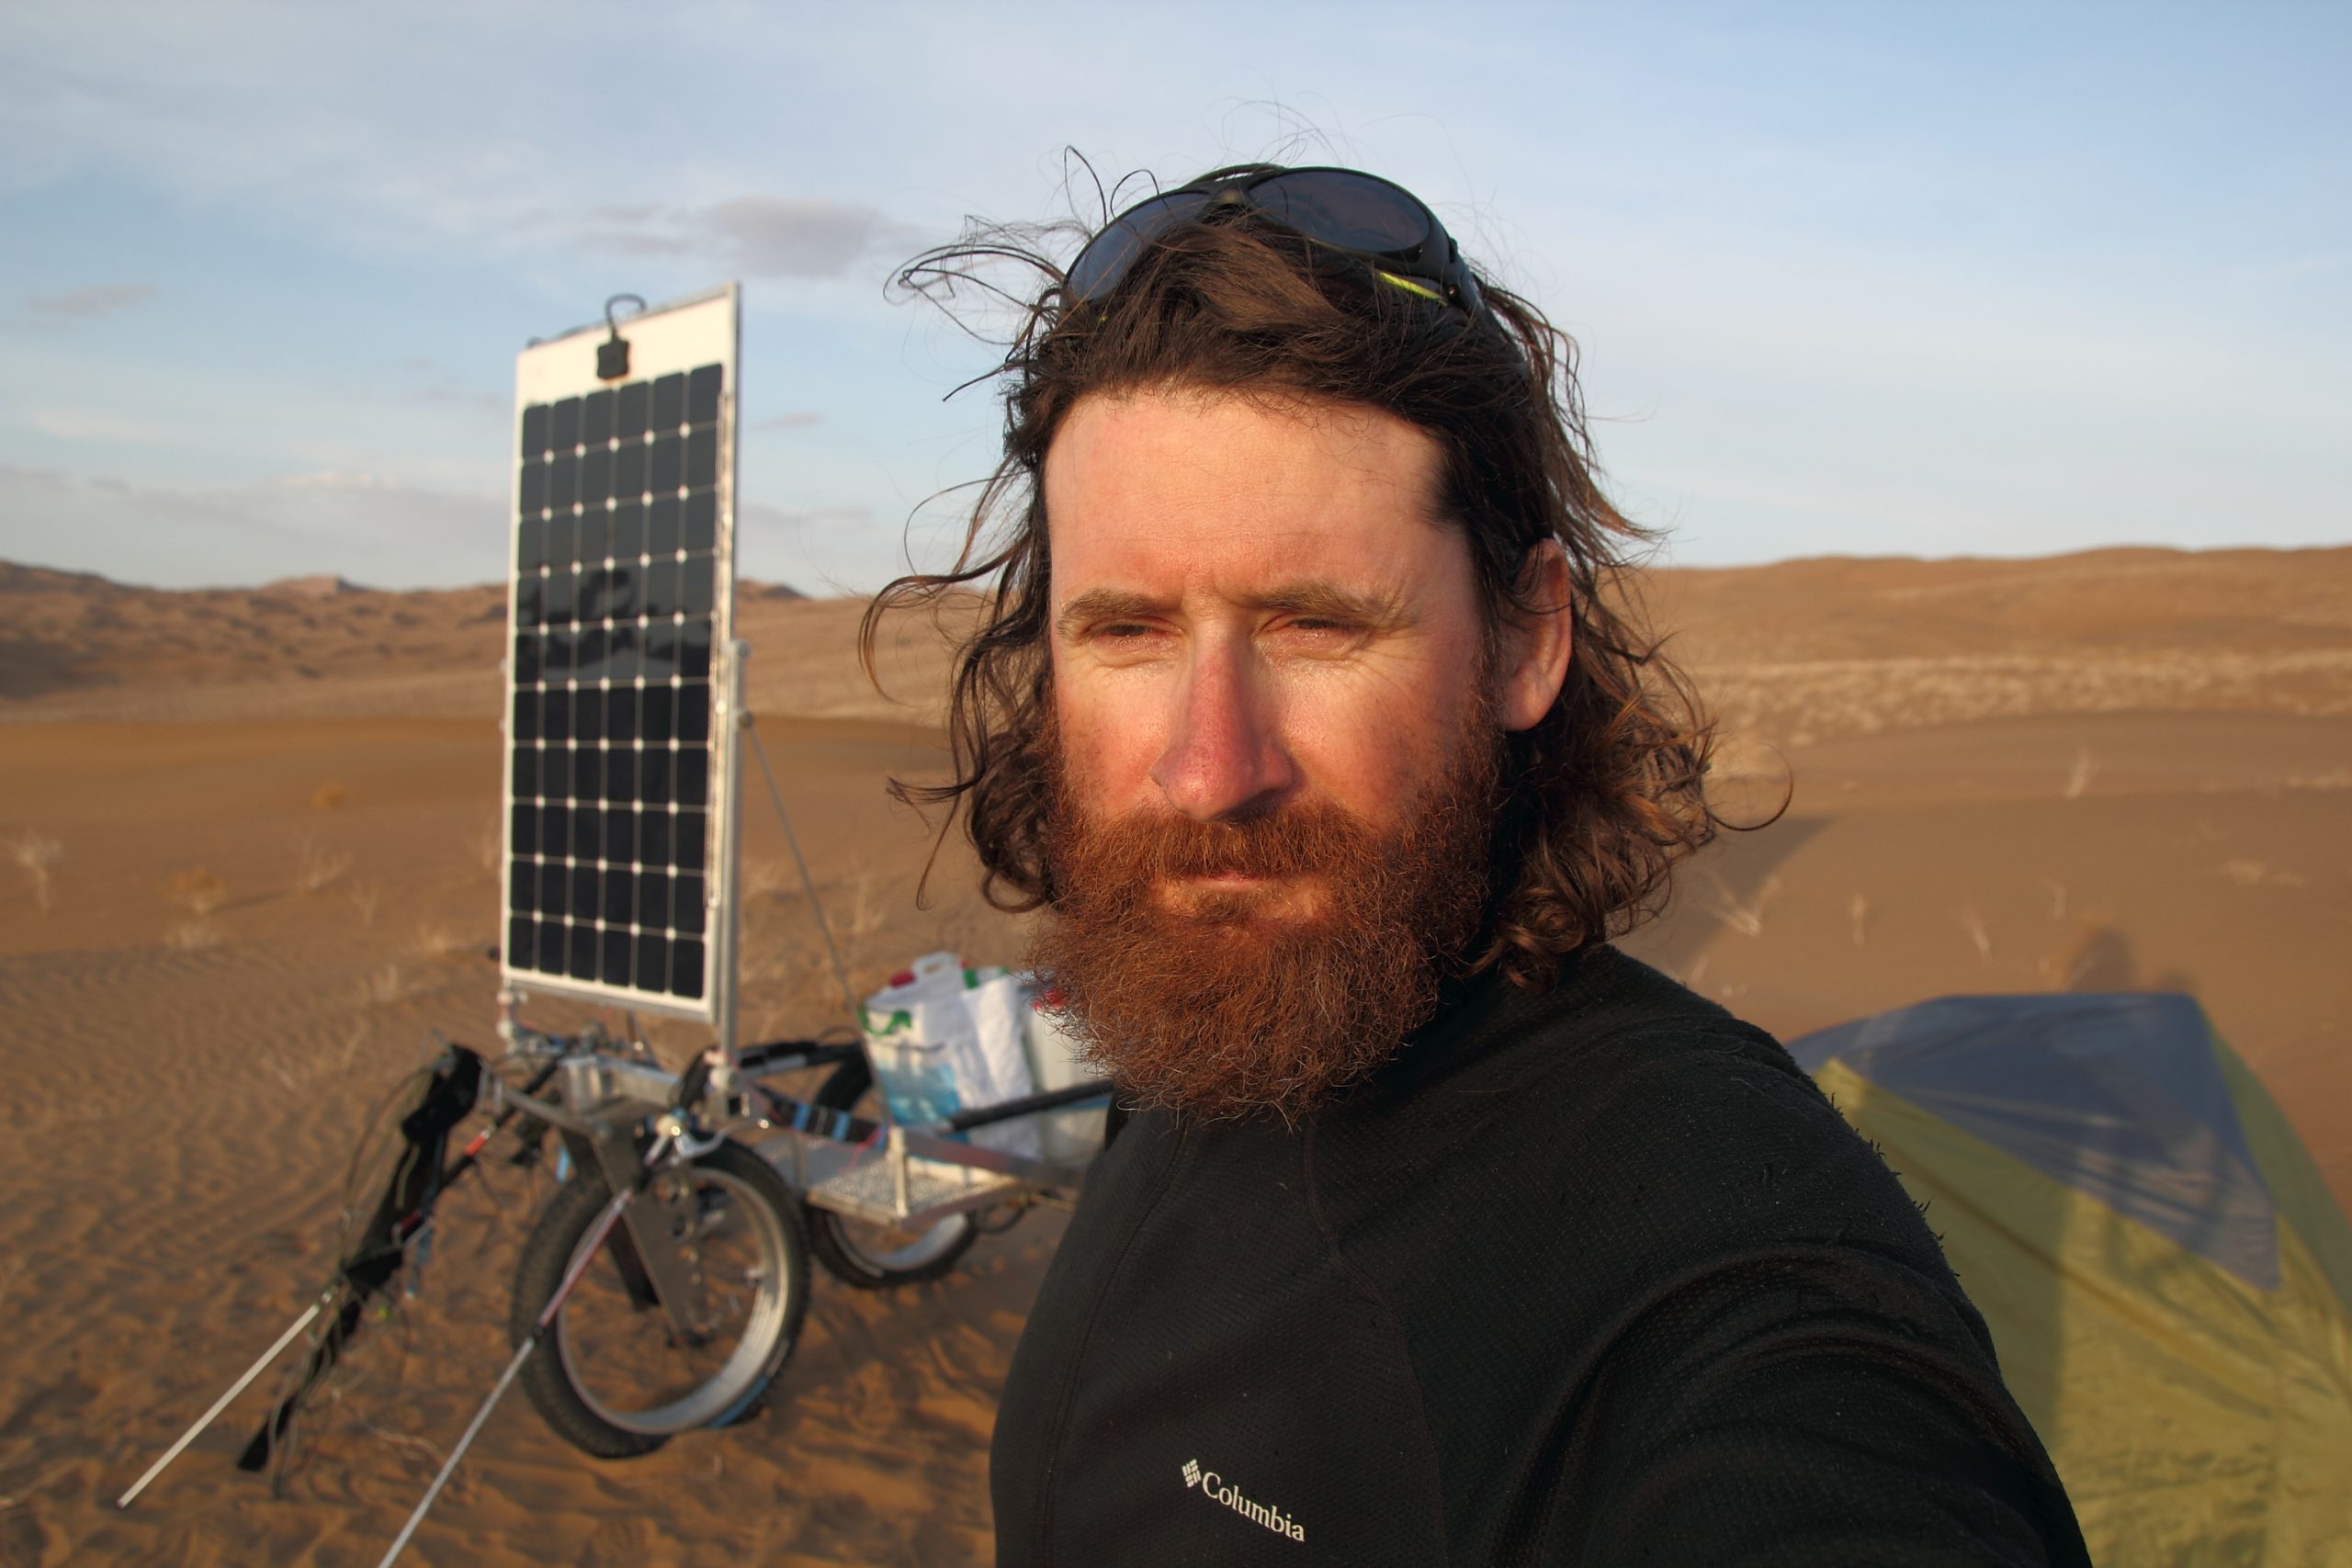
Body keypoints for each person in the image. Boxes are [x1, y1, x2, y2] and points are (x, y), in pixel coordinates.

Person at [871, 164, 2089, 1566]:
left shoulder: (1712, 1233)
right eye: (1127, 632)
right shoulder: (1206, 1032)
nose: (1211, 769)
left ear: (1525, 640)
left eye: (1314, 625)